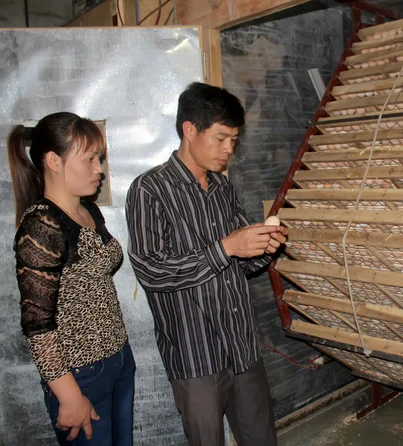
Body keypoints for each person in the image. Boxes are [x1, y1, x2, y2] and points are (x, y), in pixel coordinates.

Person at [125, 82, 287, 446]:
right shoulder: (149, 189)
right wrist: (226, 247)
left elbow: (241, 265)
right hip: (196, 356)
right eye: (221, 138)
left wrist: (263, 247)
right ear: (189, 130)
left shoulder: (222, 188)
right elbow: (152, 271)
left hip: (242, 347)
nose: (229, 148)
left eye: (234, 139)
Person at [8, 112, 135, 445]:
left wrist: (120, 358)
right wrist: (69, 396)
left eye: (100, 158)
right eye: (89, 158)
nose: (99, 169)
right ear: (53, 161)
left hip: (117, 359)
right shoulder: (42, 226)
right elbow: (37, 325)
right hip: (80, 374)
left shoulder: (87, 210)